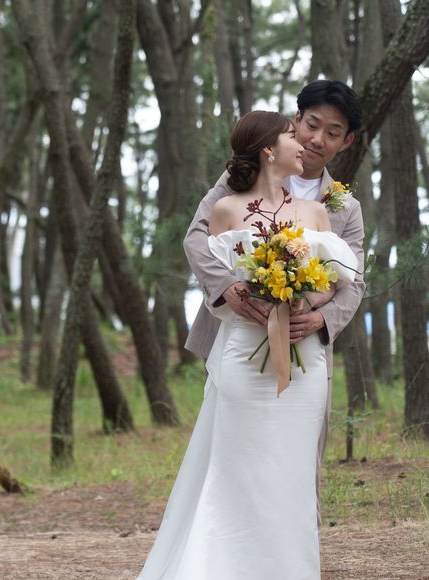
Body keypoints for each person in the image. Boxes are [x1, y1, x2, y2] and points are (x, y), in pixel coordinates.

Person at [137, 111, 358, 579]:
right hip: (244, 354)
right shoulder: (225, 210)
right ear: (268, 150)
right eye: (292, 135)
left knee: (292, 475)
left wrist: (300, 294)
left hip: (304, 360)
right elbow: (216, 271)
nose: (303, 142)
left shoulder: (318, 213)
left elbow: (338, 281)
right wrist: (245, 290)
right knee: (238, 471)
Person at [183, 79, 366, 525]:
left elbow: (353, 279)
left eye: (332, 133)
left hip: (304, 345)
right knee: (233, 451)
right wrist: (228, 288)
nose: (316, 139)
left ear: (346, 142)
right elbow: (197, 237)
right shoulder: (238, 180)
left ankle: (290, 545)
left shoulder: (343, 207)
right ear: (296, 120)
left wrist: (320, 318)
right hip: (242, 334)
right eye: (311, 124)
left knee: (297, 457)